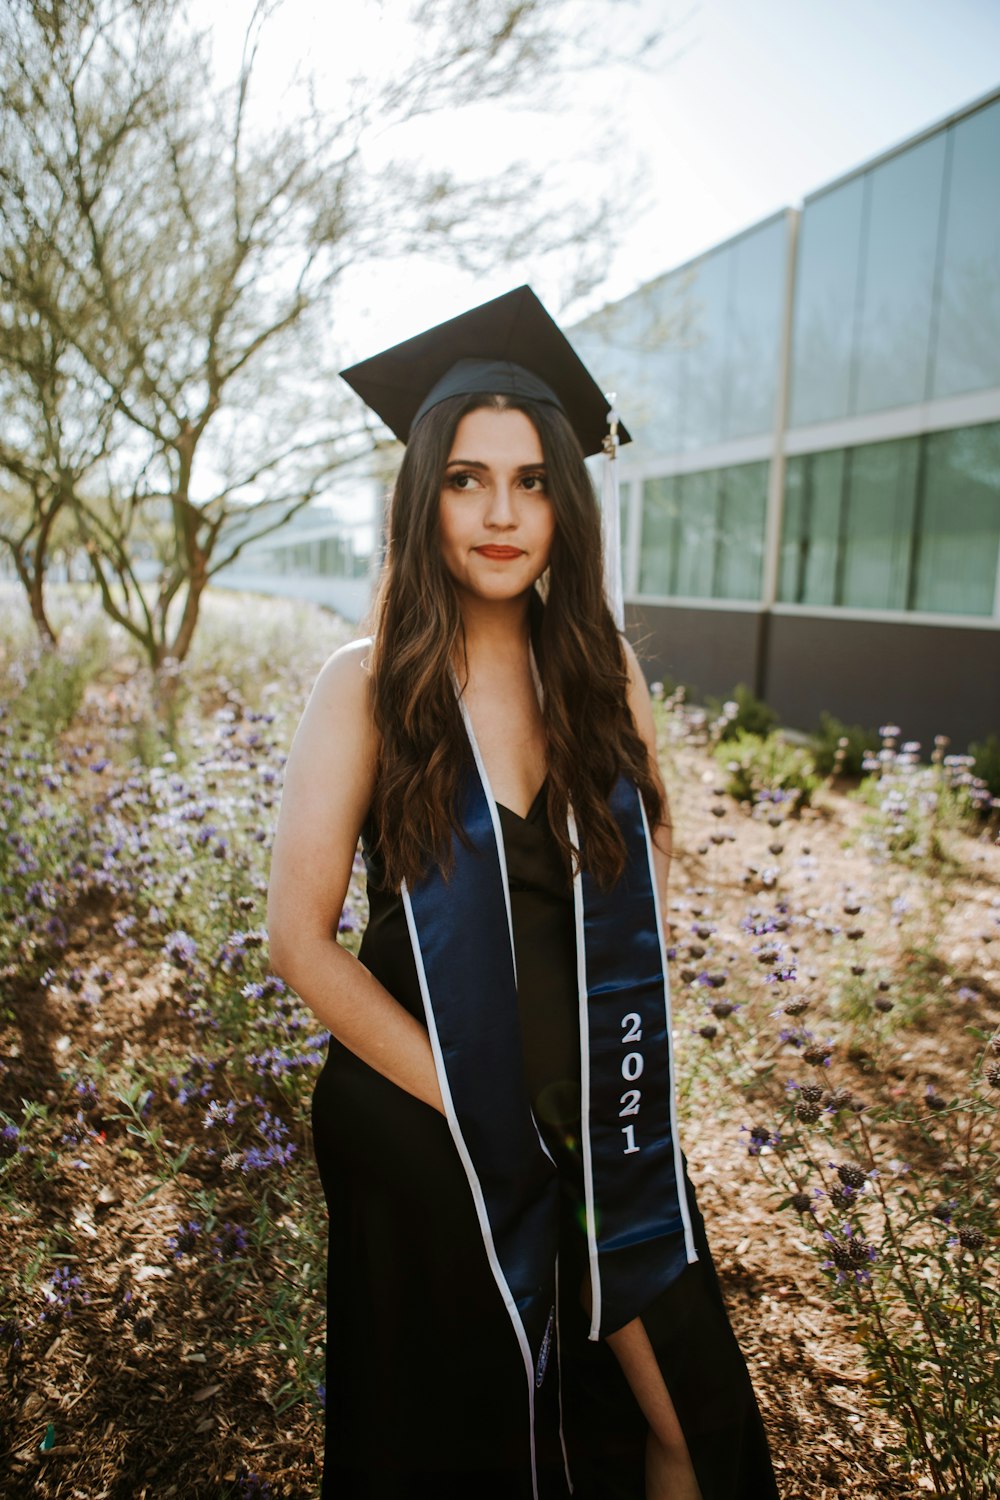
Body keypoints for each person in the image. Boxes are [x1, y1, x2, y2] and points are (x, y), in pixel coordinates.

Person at [267, 287, 779, 1500]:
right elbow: (298, 939)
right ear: (422, 496)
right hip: (429, 1122)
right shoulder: (368, 687)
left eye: (532, 480)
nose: (501, 513)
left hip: (607, 1125)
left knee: (685, 1426)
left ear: (567, 501)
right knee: (474, 1447)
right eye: (465, 478)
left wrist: (595, 1086)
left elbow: (641, 894)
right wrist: (468, 1091)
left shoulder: (604, 683)